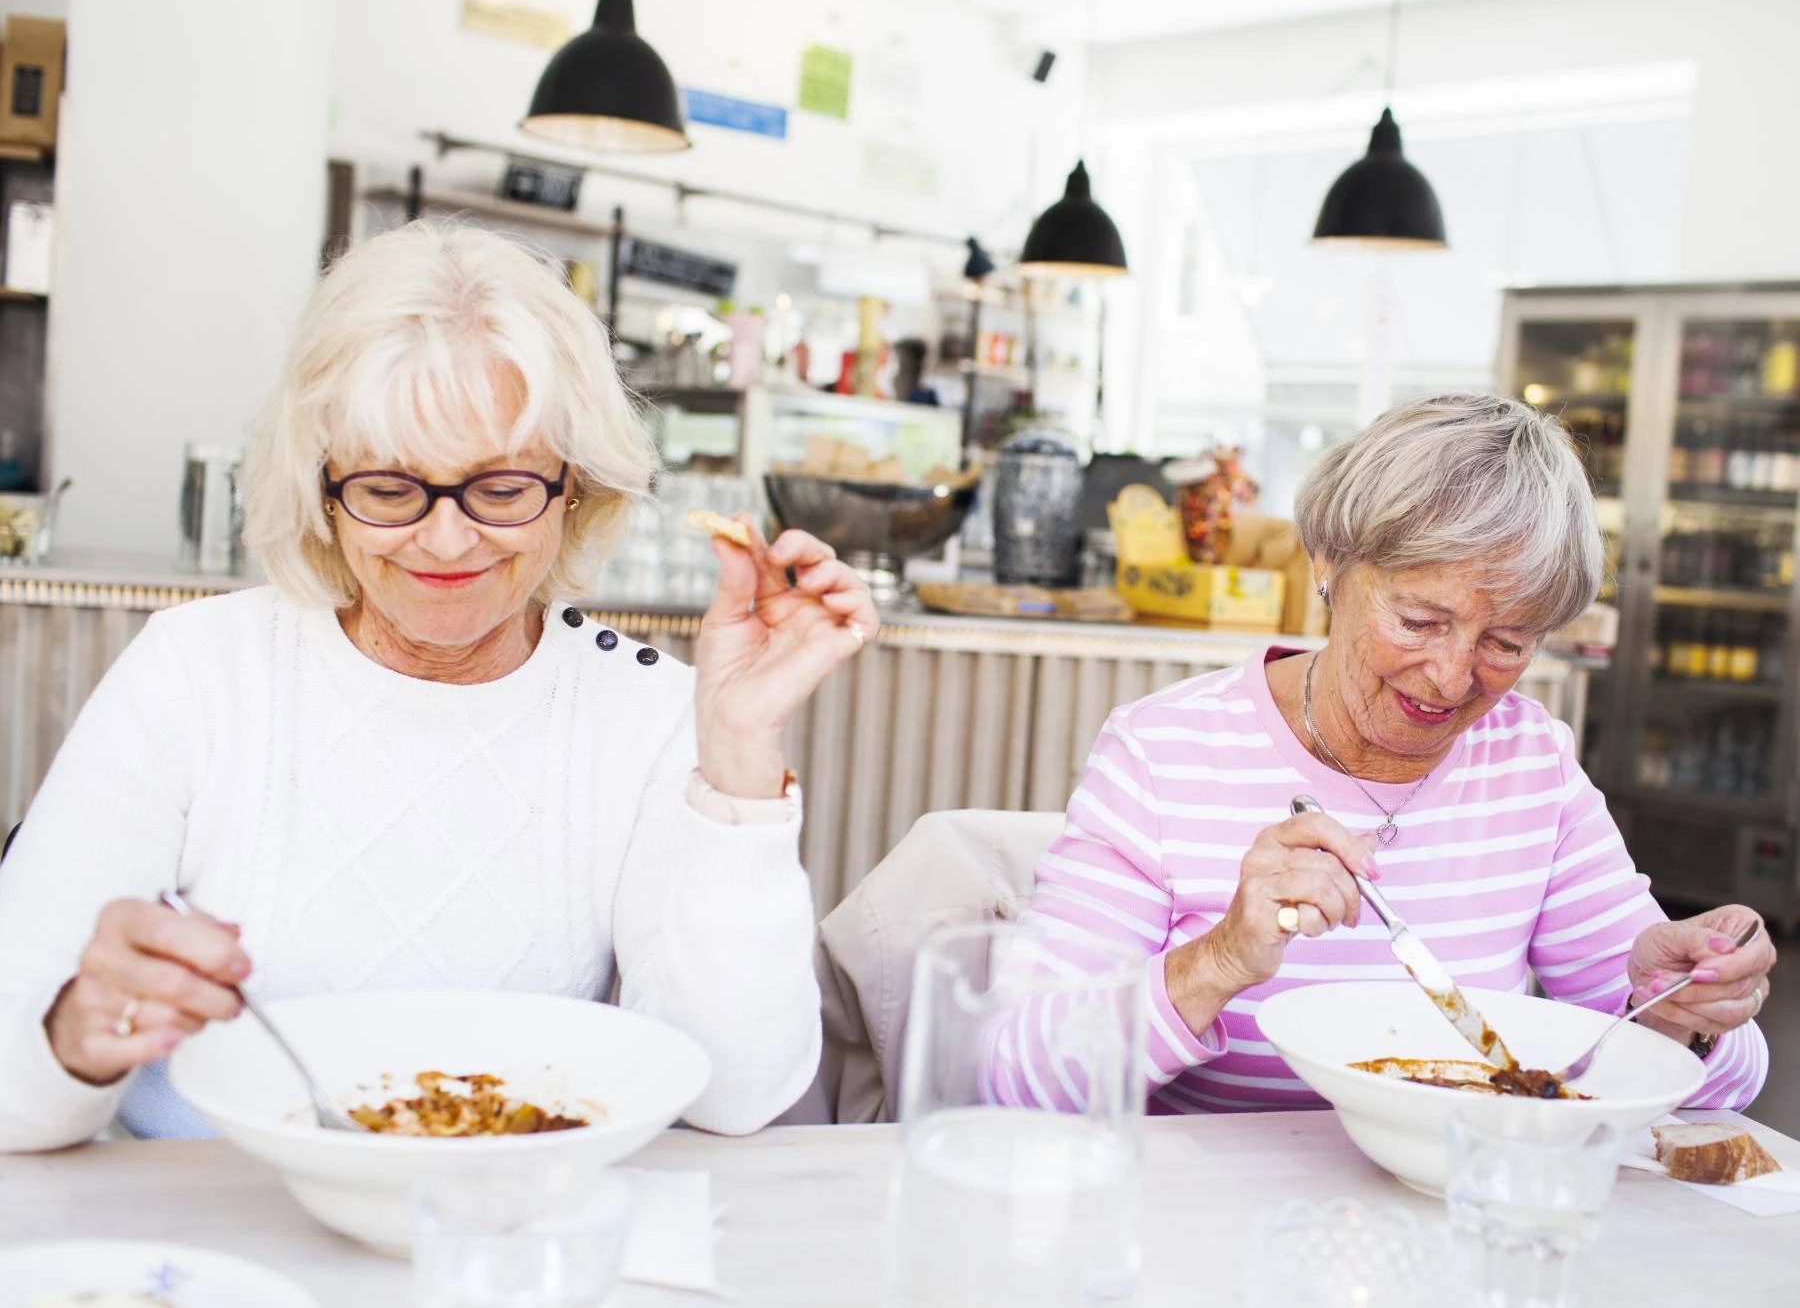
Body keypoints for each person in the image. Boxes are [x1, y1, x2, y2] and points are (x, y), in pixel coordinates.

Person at [0, 221, 877, 1151]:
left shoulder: (650, 714)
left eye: (500, 489)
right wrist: (73, 1038)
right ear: (321, 485)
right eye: (389, 489)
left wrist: (737, 757)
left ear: (574, 484)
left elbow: (734, 1095)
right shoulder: (196, 672)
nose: (448, 542)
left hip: (503, 1238)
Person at [997, 395, 1773, 1113]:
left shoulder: (1528, 761)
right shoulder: (1166, 753)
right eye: (1421, 621)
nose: (1452, 677)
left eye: (1506, 642)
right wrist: (1221, 960)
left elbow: (1720, 1086)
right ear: (1329, 562)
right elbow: (1009, 1073)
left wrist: (1691, 1013)